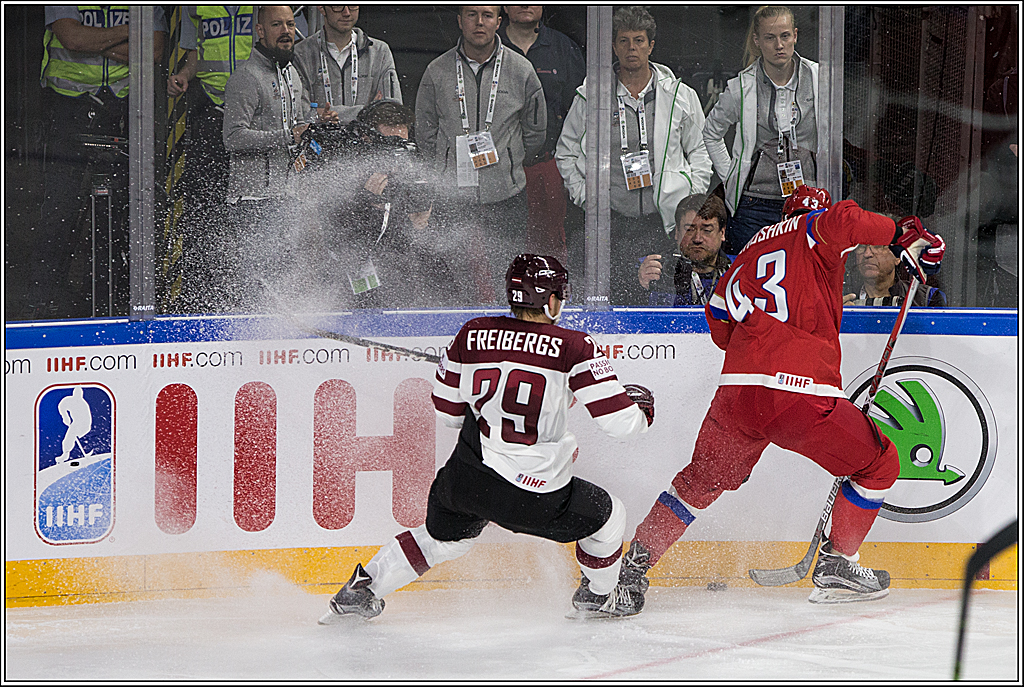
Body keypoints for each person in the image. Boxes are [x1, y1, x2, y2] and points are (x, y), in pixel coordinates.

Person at [618, 186, 946, 605]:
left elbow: (718, 321)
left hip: (738, 394)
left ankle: (631, 571)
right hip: (799, 393)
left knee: (696, 484)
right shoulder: (812, 229)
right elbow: (844, 221)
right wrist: (900, 233)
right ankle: (838, 563)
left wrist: (756, 349)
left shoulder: (748, 253)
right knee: (880, 462)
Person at [318, 254, 655, 622]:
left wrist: (491, 401)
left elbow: (448, 414)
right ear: (550, 299)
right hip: (536, 496)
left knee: (443, 539)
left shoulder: (472, 334)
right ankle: (600, 596)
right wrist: (642, 410)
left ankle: (361, 590)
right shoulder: (575, 347)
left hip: (466, 482)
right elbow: (622, 424)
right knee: (610, 517)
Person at [557, 6, 712, 306]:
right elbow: (565, 151)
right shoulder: (592, 94)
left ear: (651, 46)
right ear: (614, 46)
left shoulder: (680, 94)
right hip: (609, 218)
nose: (632, 48)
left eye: (639, 40)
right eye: (624, 41)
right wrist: (585, 197)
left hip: (662, 220)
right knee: (608, 295)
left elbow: (700, 150)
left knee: (660, 298)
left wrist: (689, 199)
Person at [31, 6, 167, 318]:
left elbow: (153, 51)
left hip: (121, 107)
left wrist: (97, 41)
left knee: (119, 210)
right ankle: (44, 300)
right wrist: (131, 32)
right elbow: (72, 39)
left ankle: (110, 299)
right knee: (60, 209)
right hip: (67, 107)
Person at [189, 6, 319, 313]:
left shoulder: (292, 74)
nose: (286, 31)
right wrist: (289, 136)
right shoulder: (245, 78)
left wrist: (309, 133)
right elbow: (232, 138)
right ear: (260, 31)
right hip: (253, 202)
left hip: (287, 197)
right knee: (253, 287)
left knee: (284, 284)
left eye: (290, 23)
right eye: (276, 24)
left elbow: (298, 125)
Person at [414, 6, 547, 304]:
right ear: (459, 20)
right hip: (452, 194)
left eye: (487, 15)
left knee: (510, 273)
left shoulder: (520, 69)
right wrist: (445, 164)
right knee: (447, 271)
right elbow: (424, 130)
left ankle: (504, 337)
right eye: (471, 14)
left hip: (506, 193)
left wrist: (510, 160)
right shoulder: (437, 70)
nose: (479, 22)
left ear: (499, 22)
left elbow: (535, 131)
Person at [703, 6, 822, 255]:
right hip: (754, 204)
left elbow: (834, 134)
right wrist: (731, 175)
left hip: (808, 200)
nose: (779, 45)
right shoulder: (741, 87)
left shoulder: (819, 79)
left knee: (803, 280)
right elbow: (711, 131)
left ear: (796, 36)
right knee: (752, 282)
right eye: (770, 37)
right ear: (757, 41)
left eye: (785, 36)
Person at [498, 6, 586, 263]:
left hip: (551, 167)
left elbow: (581, 113)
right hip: (500, 170)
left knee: (551, 250)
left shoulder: (564, 49)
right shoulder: (490, 47)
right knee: (504, 248)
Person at [292, 5, 403, 125]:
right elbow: (301, 115)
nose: (347, 12)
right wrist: (367, 111)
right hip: (319, 142)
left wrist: (325, 113)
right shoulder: (301, 54)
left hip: (367, 141)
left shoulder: (379, 51)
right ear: (321, 8)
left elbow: (392, 112)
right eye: (338, 6)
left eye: (353, 5)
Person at [638, 193, 732, 307]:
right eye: (689, 229)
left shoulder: (739, 271)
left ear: (722, 233)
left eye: (706, 230)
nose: (697, 239)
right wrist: (639, 284)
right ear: (677, 232)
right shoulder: (652, 267)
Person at [843, 243, 948, 307]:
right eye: (861, 246)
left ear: (897, 256)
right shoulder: (839, 298)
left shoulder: (926, 299)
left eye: (878, 246)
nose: (867, 254)